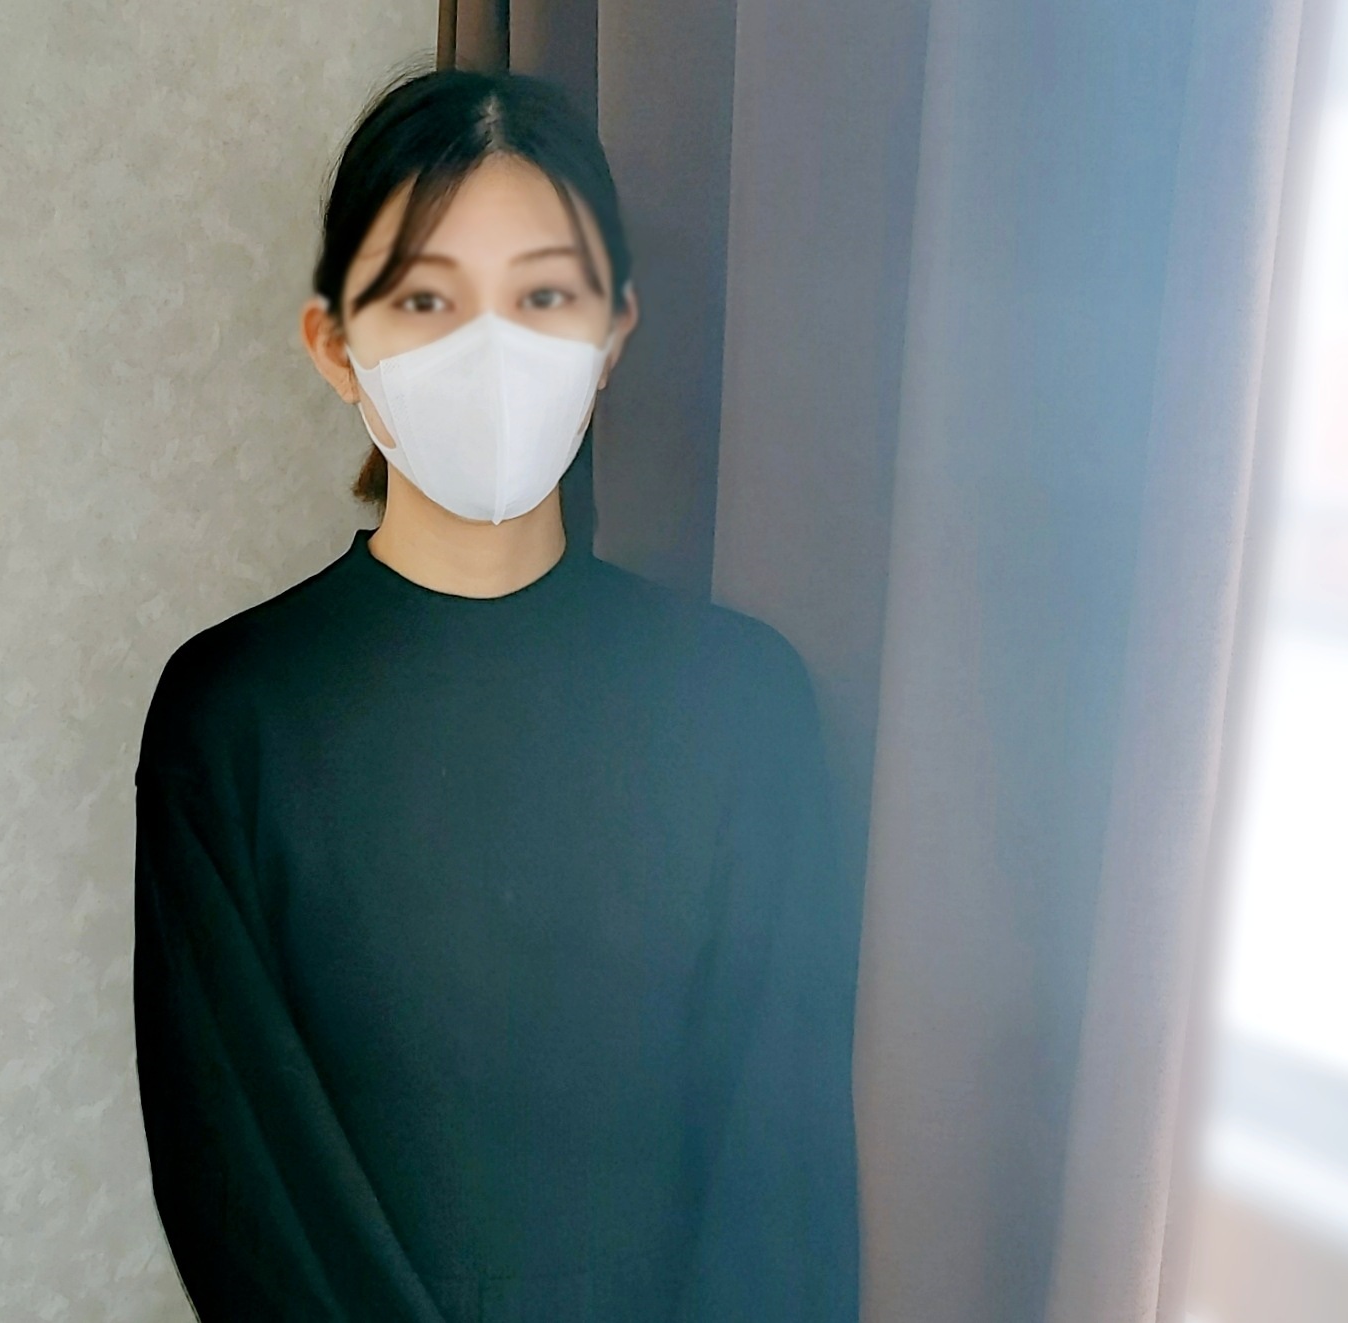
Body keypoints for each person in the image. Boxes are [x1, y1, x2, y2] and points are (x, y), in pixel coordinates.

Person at [132, 65, 862, 1322]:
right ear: (335, 345)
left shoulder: (742, 705)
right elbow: (243, 1182)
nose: (490, 349)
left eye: (542, 296)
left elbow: (780, 1173)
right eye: (426, 298)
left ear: (612, 333)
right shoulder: (233, 714)